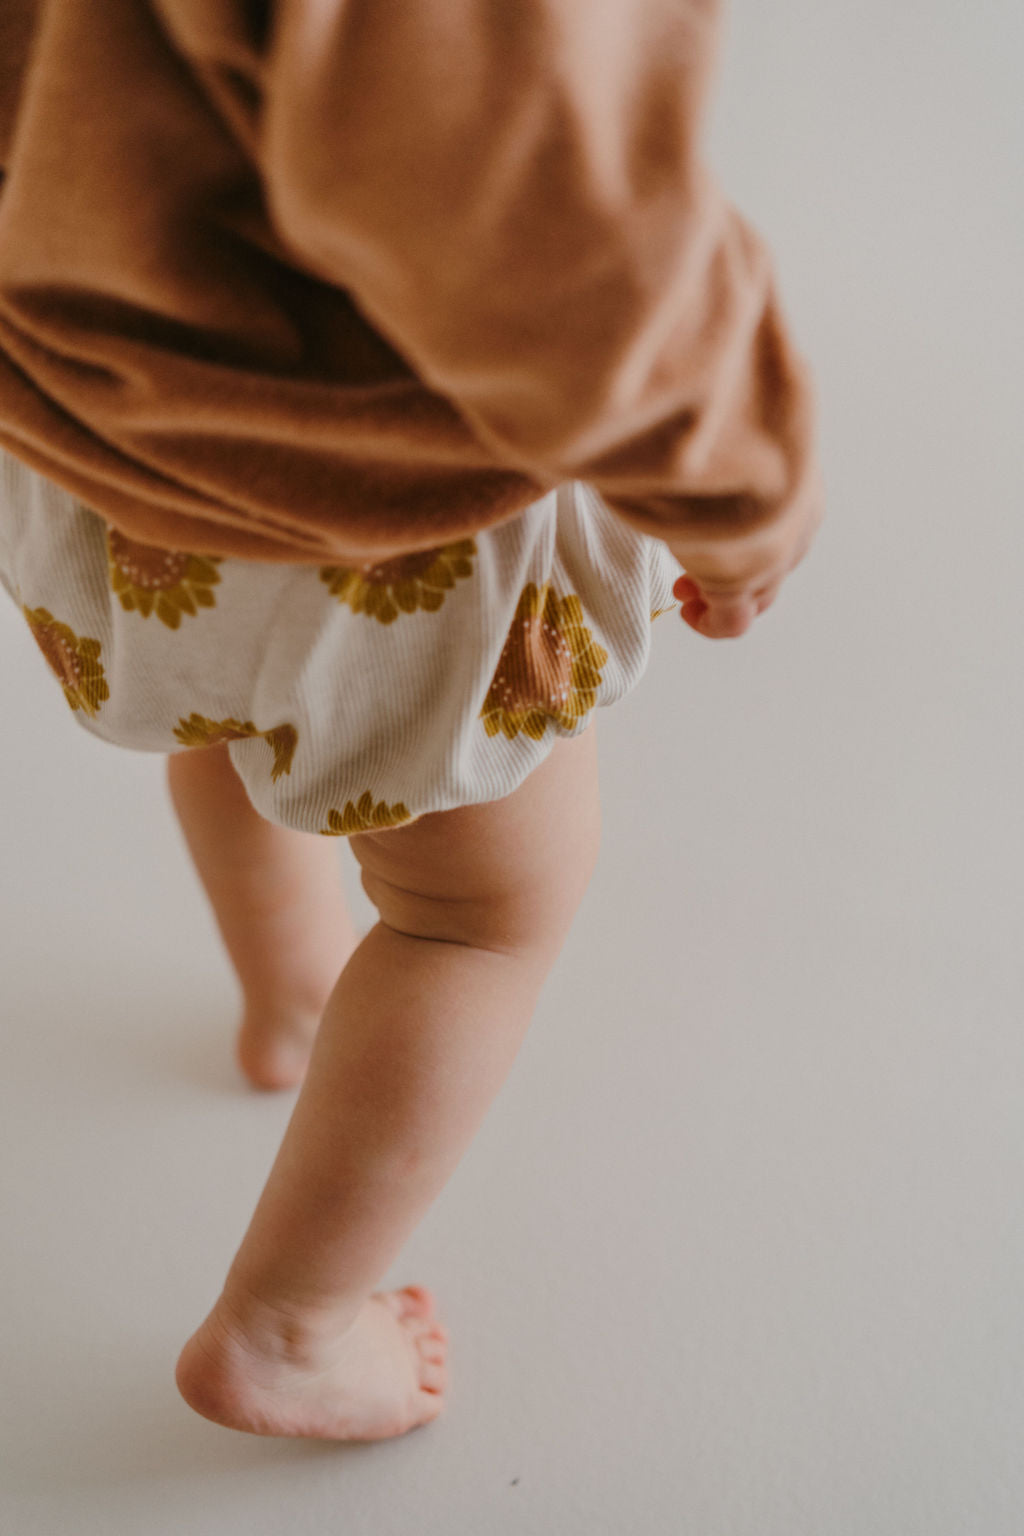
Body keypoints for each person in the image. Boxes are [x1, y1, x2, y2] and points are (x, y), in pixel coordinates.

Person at [0, 0, 822, 1441]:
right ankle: (285, 1329)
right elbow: (577, 262)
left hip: (98, 449)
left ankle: (294, 1000)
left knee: (228, 728)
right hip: (391, 526)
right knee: (476, 911)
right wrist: (748, 498)